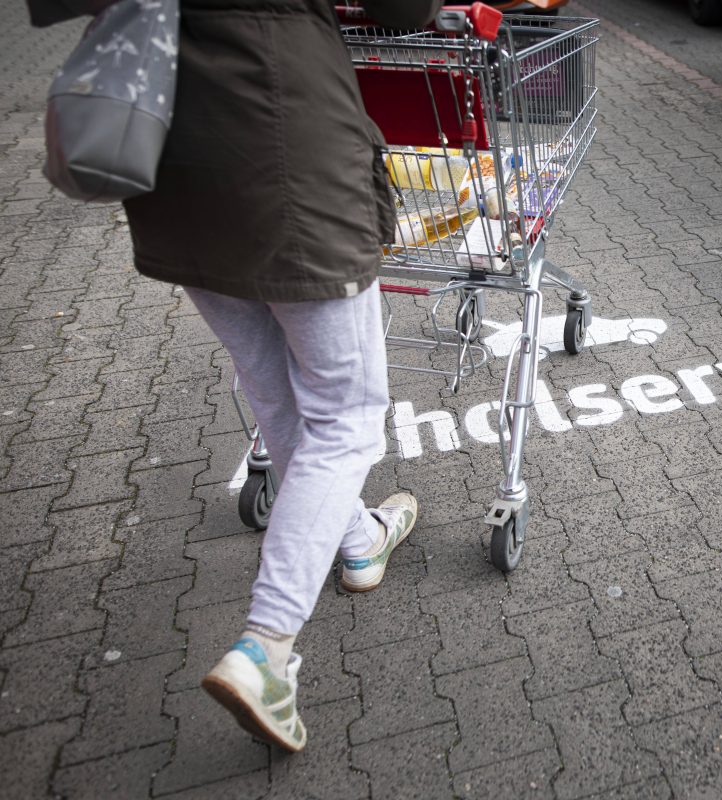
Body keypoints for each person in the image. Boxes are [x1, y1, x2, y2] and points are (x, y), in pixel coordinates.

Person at [29, 0, 442, 752]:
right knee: (346, 418)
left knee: (273, 388)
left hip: (172, 157)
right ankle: (267, 649)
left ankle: (357, 539)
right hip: (285, 148)